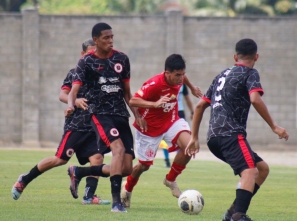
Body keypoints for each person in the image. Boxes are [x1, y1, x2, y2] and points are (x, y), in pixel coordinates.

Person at [185, 39, 289, 221]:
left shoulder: (220, 76)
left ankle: (232, 212)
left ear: (235, 57)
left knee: (262, 169)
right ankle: (238, 216)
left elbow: (200, 106)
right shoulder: (250, 73)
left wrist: (194, 137)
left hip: (213, 138)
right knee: (250, 171)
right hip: (231, 134)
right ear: (256, 56)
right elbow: (255, 99)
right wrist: (274, 126)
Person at [11, 39, 110, 205]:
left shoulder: (103, 75)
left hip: (94, 126)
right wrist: (74, 102)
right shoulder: (74, 73)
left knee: (97, 158)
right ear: (83, 54)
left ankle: (88, 196)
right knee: (60, 160)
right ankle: (24, 179)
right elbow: (63, 95)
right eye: (90, 53)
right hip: (76, 126)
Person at [64, 23, 144, 213]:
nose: (110, 41)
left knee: (126, 168)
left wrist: (137, 115)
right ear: (96, 40)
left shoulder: (122, 59)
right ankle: (117, 203)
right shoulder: (86, 62)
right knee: (117, 149)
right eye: (106, 38)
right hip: (99, 114)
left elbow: (127, 92)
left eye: (112, 37)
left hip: (120, 115)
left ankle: (80, 172)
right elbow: (73, 91)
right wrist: (70, 105)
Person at [120, 54, 202, 209]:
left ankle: (170, 179)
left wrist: (191, 88)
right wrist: (155, 104)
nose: (181, 78)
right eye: (177, 75)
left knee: (189, 146)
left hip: (171, 120)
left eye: (183, 74)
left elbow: (184, 78)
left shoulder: (179, 78)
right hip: (149, 128)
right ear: (167, 73)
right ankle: (128, 188)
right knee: (144, 166)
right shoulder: (154, 84)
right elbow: (133, 101)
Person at [160, 84, 195, 168]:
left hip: (179, 112)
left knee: (181, 137)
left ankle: (176, 159)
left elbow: (187, 98)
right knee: (164, 136)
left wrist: (192, 111)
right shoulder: (164, 84)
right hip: (167, 111)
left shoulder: (183, 85)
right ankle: (167, 159)